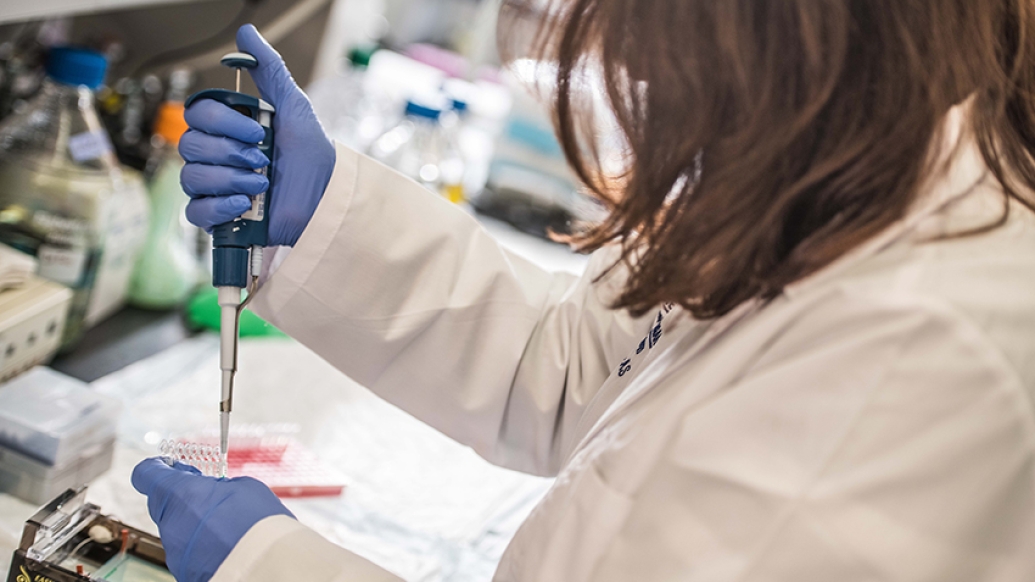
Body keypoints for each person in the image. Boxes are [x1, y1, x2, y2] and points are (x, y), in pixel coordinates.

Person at [132, 0, 1035, 579]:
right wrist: (327, 213)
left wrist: (269, 566)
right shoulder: (842, 169)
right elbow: (577, 369)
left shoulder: (926, 340)